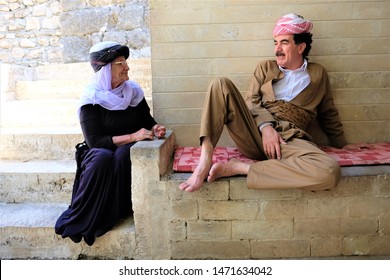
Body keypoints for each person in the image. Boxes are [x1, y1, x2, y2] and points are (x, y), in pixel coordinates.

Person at [179, 13, 347, 193]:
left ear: (301, 47)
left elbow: (328, 112)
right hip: (254, 132)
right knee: (220, 84)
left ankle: (239, 168)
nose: (277, 49)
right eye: (275, 43)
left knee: (329, 171)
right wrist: (266, 127)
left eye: (284, 42)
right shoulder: (265, 68)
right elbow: (251, 100)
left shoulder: (318, 73)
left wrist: (343, 145)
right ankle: (204, 161)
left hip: (289, 140)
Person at [55, 41, 166, 246]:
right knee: (103, 156)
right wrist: (133, 137)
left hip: (123, 149)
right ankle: (88, 215)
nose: (127, 67)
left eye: (125, 62)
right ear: (105, 70)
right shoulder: (91, 99)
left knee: (124, 155)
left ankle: (118, 210)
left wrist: (155, 128)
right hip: (99, 151)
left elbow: (147, 121)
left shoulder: (132, 91)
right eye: (120, 63)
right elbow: (94, 141)